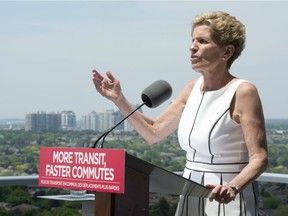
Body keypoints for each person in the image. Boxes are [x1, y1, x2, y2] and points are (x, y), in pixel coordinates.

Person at [92, 11, 268, 216]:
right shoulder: (192, 87)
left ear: (227, 52)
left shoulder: (244, 91)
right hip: (190, 192)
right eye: (192, 40)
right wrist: (119, 100)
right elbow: (153, 132)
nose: (192, 47)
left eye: (202, 41)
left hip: (226, 198)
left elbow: (259, 157)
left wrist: (233, 187)